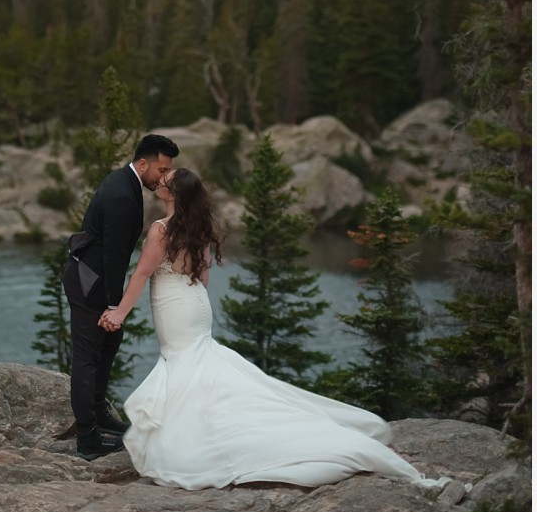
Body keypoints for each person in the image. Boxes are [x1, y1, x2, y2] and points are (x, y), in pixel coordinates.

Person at [99, 167, 451, 491]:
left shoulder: (161, 229)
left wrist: (119, 313)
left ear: (174, 192)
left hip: (174, 306)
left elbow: (143, 274)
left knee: (185, 366)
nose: (160, 181)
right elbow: (203, 277)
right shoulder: (198, 228)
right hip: (194, 303)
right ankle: (203, 431)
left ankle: (196, 443)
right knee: (197, 365)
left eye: (167, 179)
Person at [62, 133, 180, 460]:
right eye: (160, 169)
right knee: (86, 359)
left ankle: (98, 414)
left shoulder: (126, 182)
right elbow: (113, 256)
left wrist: (116, 311)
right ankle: (88, 440)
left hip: (95, 277)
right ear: (143, 163)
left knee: (109, 345)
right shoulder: (122, 196)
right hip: (90, 283)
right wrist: (115, 306)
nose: (164, 177)